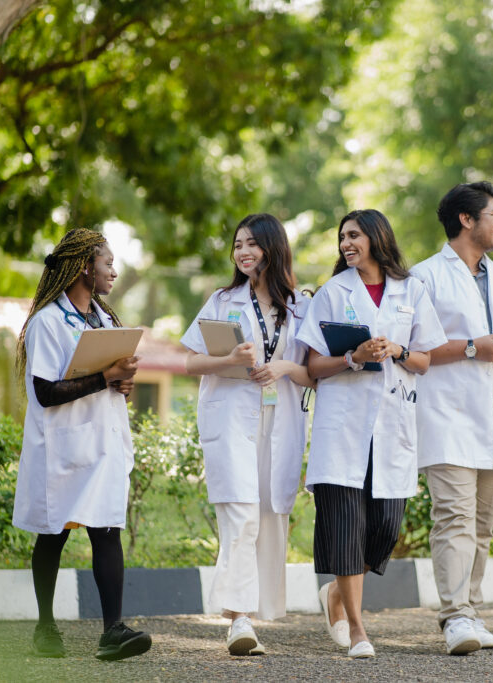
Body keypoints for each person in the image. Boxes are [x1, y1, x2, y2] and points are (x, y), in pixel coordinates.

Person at [296, 209, 446, 659]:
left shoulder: (411, 290)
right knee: (346, 528)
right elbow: (312, 367)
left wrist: (397, 349)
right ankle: (358, 630)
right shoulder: (331, 292)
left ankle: (338, 596)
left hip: (392, 425)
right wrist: (354, 357)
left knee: (383, 528)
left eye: (354, 235)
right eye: (342, 237)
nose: (346, 243)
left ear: (377, 237)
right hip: (342, 428)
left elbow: (425, 359)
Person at [13, 227, 151, 661]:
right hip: (62, 448)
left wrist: (121, 383)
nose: (114, 270)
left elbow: (107, 379)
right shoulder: (47, 322)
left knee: (106, 530)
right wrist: (103, 379)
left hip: (102, 443)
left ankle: (113, 631)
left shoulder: (105, 320)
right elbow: (45, 393)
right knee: (53, 535)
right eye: (107, 263)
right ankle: (45, 626)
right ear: (83, 268)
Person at [410, 182, 493, 655]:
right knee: (455, 518)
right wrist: (472, 347)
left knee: (482, 524)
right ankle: (455, 616)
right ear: (467, 220)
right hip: (449, 416)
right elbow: (414, 350)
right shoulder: (424, 277)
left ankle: (471, 608)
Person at [180, 213, 313, 656]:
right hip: (230, 415)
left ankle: (257, 609)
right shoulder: (222, 300)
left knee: (271, 513)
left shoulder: (300, 305)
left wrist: (285, 367)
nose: (243, 252)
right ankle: (238, 619)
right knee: (240, 512)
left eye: (252, 243)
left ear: (273, 248)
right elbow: (189, 361)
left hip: (279, 420)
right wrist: (230, 361)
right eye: (238, 244)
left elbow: (315, 373)